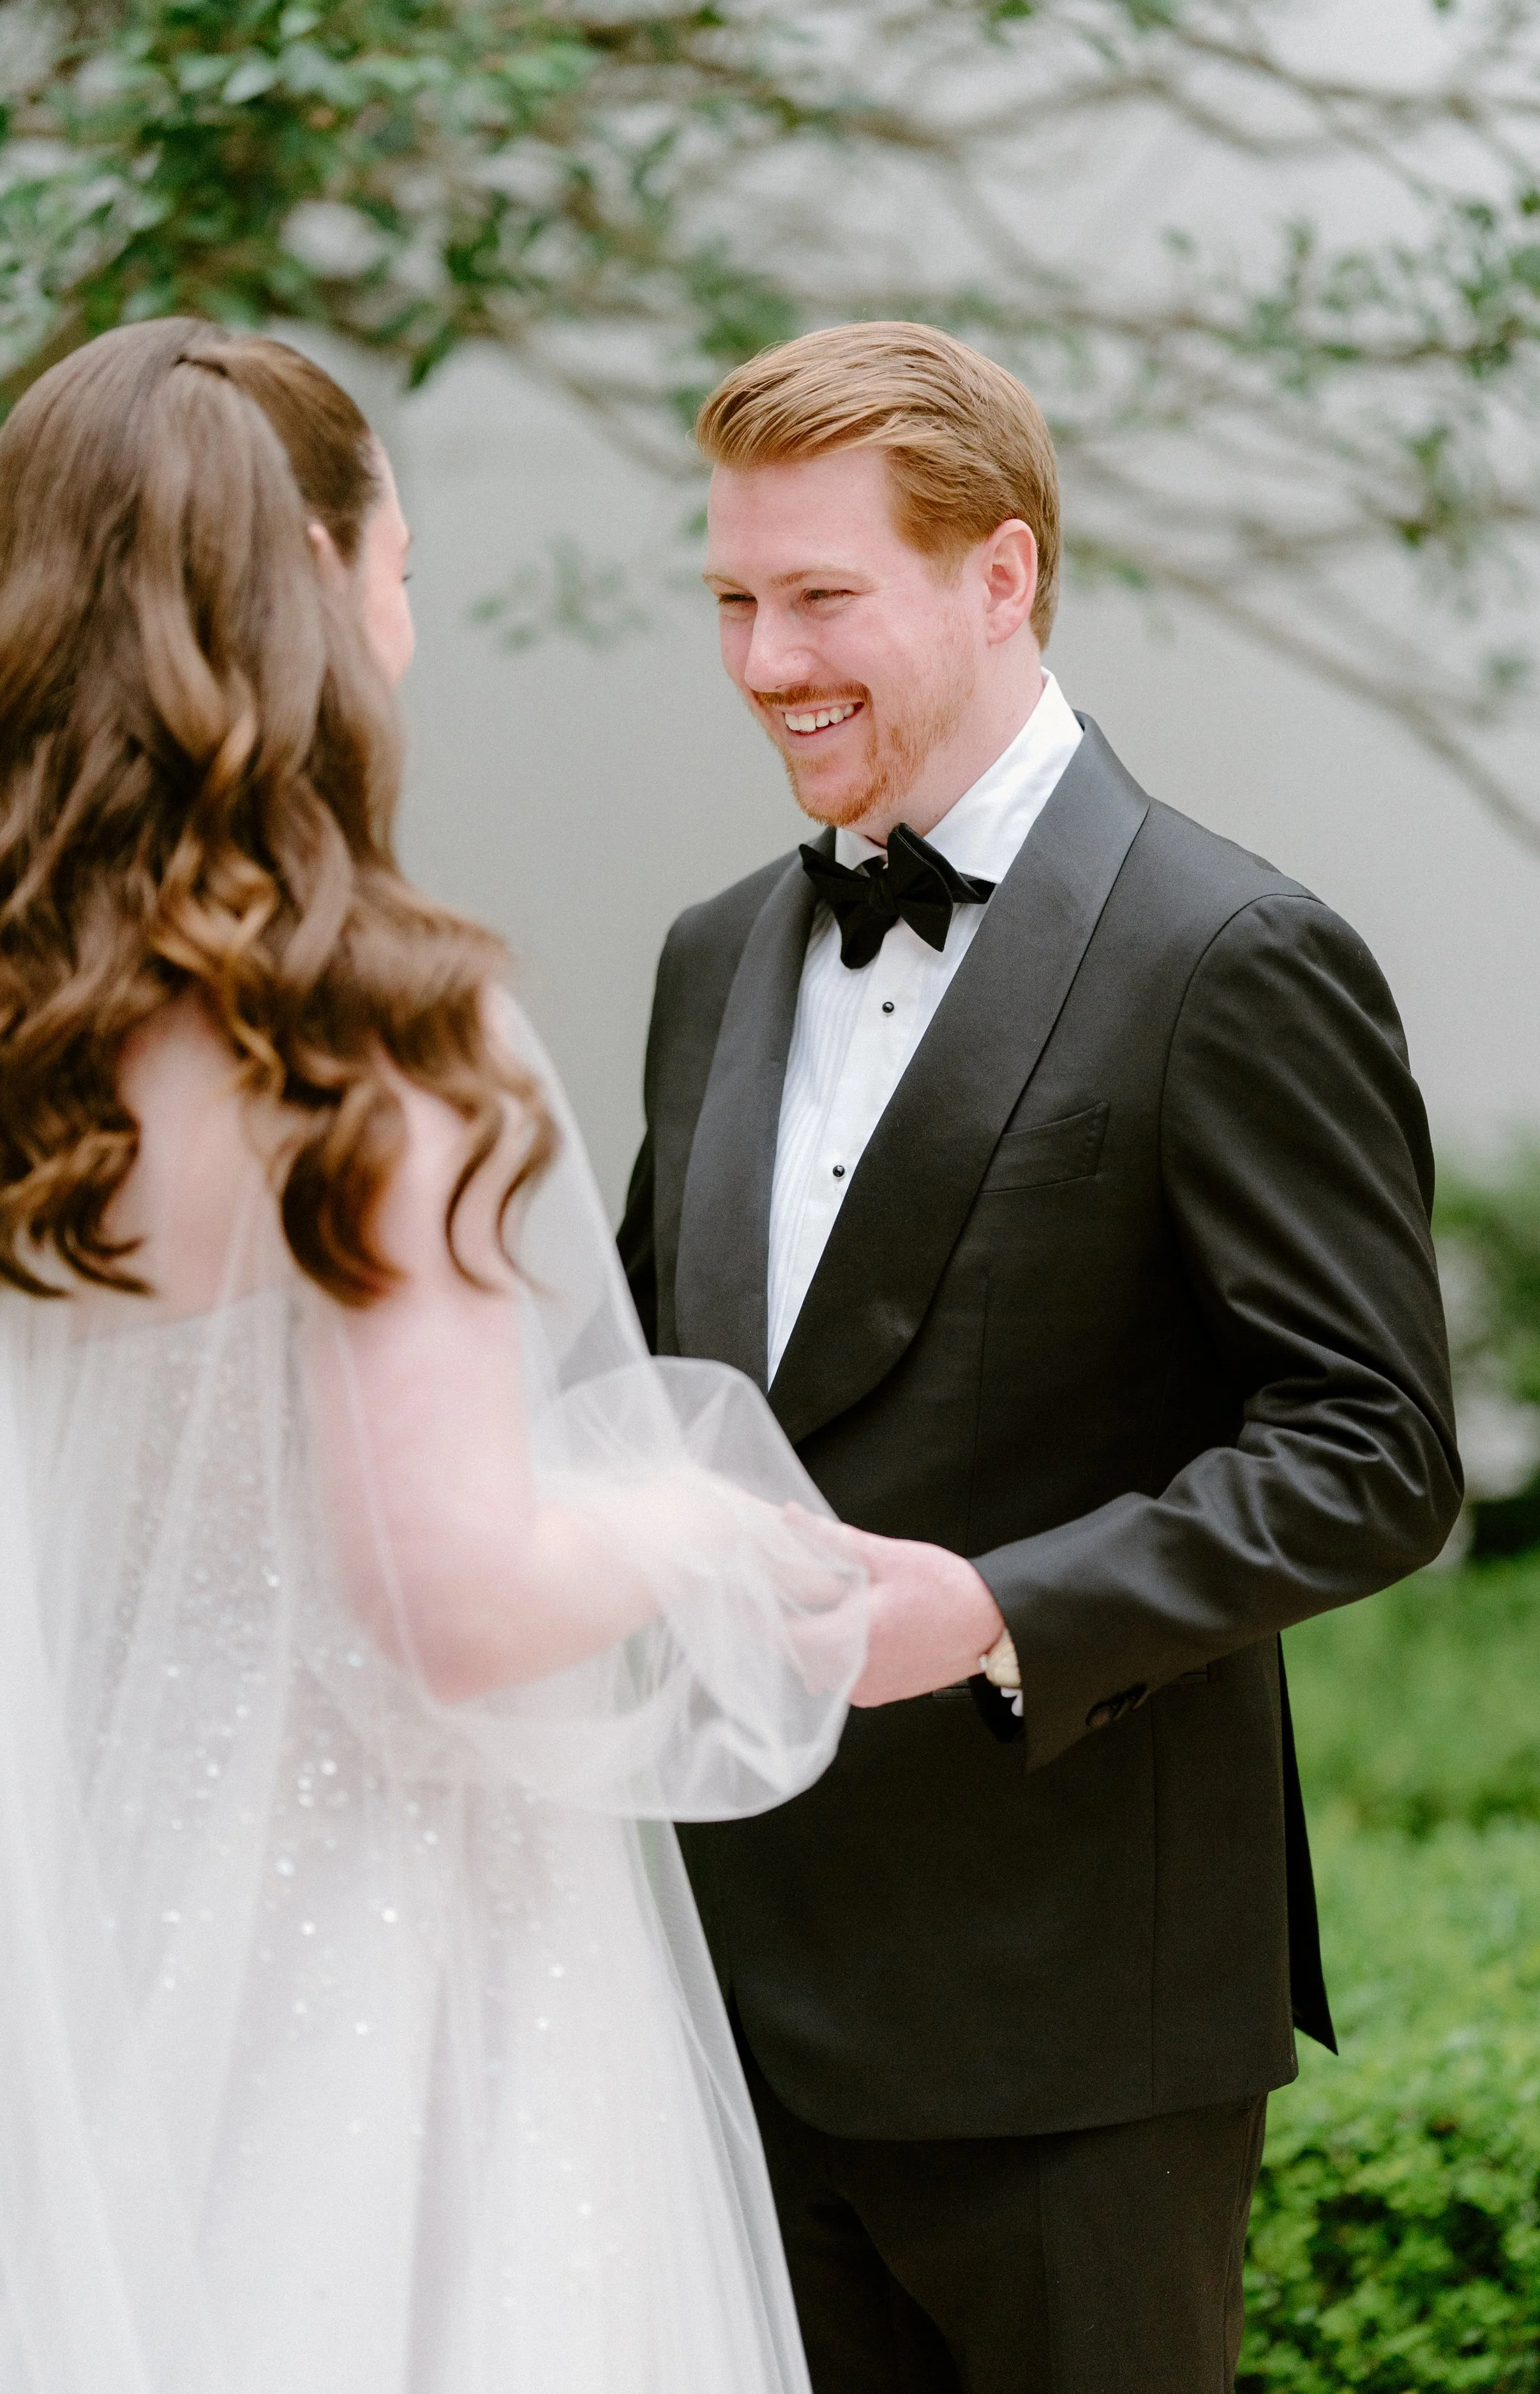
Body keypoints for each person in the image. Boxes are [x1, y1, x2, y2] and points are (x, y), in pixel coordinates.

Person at [0, 317, 892, 2393]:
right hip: (393, 1963)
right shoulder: (368, 1044)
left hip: (72, 1933)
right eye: (398, 550)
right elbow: (456, 1595)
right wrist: (696, 1523)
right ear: (311, 564)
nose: (407, 600)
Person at [617, 320, 1463, 2394]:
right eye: (732, 599)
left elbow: (1372, 1444)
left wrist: (1002, 1609)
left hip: (1074, 2044)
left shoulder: (1230, 952)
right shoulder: (711, 951)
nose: (761, 660)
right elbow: (648, 1383)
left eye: (821, 597)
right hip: (720, 2011)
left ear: (1000, 576)